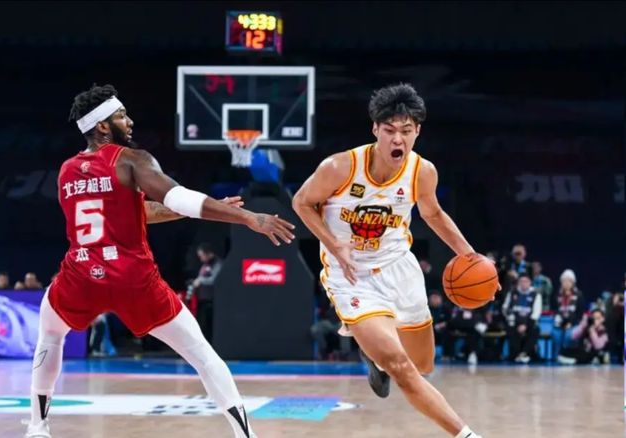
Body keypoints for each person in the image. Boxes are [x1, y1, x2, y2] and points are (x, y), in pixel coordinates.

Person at [24, 84, 295, 438]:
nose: (130, 122)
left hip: (82, 274)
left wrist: (213, 206)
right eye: (122, 115)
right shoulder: (132, 160)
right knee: (202, 354)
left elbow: (139, 211)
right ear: (103, 126)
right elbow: (177, 197)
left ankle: (37, 427)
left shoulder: (67, 171)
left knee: (50, 334)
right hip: (132, 278)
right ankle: (245, 435)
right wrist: (247, 217)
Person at [292, 83, 485, 438]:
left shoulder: (422, 171)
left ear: (417, 132)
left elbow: (433, 214)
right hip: (352, 276)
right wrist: (334, 244)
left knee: (421, 365)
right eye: (390, 130)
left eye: (406, 131)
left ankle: (374, 356)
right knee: (401, 367)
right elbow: (301, 202)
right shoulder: (340, 167)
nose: (398, 139)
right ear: (375, 129)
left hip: (399, 268)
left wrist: (470, 255)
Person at [187, 242, 224, 342]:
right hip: (202, 300)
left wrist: (200, 281)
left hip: (213, 302)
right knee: (201, 326)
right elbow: (199, 277)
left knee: (210, 327)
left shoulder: (217, 264)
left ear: (207, 253)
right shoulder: (204, 265)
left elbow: (214, 280)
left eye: (201, 256)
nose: (200, 259)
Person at [502, 274, 542, 363]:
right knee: (510, 327)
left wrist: (525, 325)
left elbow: (536, 313)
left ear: (530, 283)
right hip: (515, 322)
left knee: (535, 329)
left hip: (529, 323)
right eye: (521, 281)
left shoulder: (535, 294)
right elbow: (505, 308)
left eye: (526, 281)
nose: (523, 283)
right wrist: (517, 323)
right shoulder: (512, 292)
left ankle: (524, 353)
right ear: (518, 282)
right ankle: (516, 354)